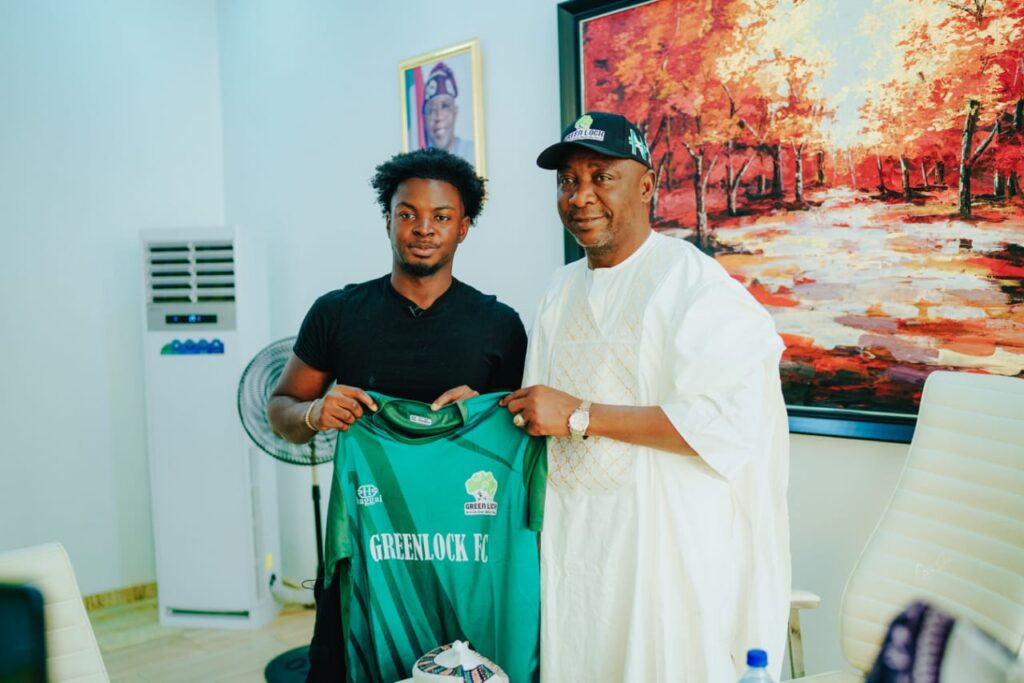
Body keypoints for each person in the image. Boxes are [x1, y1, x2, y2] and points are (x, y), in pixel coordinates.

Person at [501, 112, 791, 681]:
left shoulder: (695, 286)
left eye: (601, 177)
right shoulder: (559, 289)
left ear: (646, 186)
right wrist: (485, 407)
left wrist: (581, 416)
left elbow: (728, 425)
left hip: (666, 560)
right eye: (567, 181)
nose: (580, 196)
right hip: (576, 551)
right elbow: (543, 411)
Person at [267, 148, 527, 681]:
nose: (423, 229)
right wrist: (315, 412)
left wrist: (488, 408)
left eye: (441, 217)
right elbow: (279, 410)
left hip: (465, 555)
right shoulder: (338, 314)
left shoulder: (499, 325)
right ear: (387, 220)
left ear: (464, 228)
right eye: (407, 213)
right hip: (365, 547)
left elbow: (523, 434)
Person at [421, 62, 475, 166]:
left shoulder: (472, 152)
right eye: (432, 109)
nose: (439, 117)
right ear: (424, 119)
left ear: (455, 113)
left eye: (445, 106)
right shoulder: (418, 159)